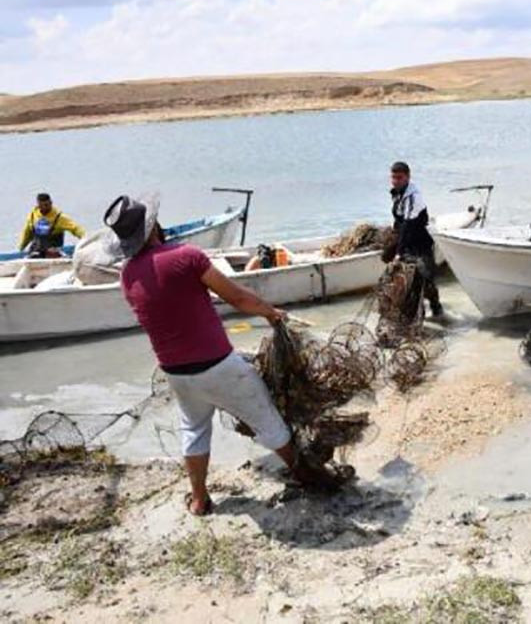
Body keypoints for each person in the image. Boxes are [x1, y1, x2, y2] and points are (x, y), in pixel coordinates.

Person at [104, 194, 343, 516]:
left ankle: (200, 499)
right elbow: (238, 297)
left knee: (194, 428)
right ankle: (305, 475)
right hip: (217, 365)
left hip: (175, 372)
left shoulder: (127, 275)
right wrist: (271, 313)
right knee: (266, 417)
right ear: (153, 228)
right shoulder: (186, 256)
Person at [389, 161, 443, 317]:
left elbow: (407, 224)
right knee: (408, 282)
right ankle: (417, 313)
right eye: (393, 177)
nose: (396, 181)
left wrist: (398, 252)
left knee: (426, 279)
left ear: (408, 177)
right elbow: (398, 221)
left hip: (421, 243)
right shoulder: (397, 193)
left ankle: (437, 308)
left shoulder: (414, 197)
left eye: (399, 178)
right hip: (407, 241)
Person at [18, 193, 86, 257]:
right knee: (34, 254)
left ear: (51, 203)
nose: (45, 207)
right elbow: (27, 233)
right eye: (42, 205)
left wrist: (85, 239)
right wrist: (21, 248)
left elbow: (75, 228)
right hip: (36, 251)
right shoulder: (33, 216)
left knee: (51, 253)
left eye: (47, 205)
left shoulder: (59, 217)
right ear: (38, 205)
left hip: (53, 252)